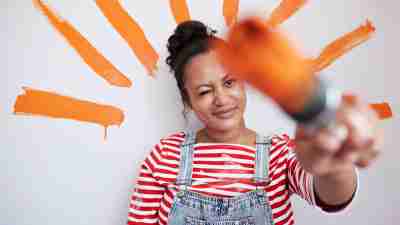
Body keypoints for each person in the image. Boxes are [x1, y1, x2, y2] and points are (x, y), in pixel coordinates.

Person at [126, 20, 381, 225]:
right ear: (188, 101)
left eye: (229, 82)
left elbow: (333, 196)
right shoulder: (163, 156)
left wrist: (335, 166)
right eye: (205, 91)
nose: (221, 99)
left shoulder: (279, 153)